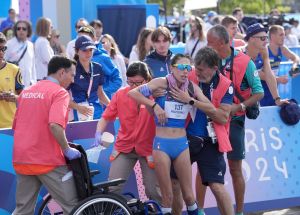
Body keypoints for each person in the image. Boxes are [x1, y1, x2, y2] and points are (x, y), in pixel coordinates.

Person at [129, 54, 216, 215]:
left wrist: (190, 100)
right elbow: (133, 93)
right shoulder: (161, 84)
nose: (185, 72)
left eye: (188, 68)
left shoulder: (190, 88)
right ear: (172, 68)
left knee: (189, 197)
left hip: (182, 144)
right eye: (182, 68)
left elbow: (211, 108)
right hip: (162, 144)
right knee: (167, 196)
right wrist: (153, 105)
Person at [207, 25, 264, 215]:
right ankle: (198, 210)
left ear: (222, 43)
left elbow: (259, 92)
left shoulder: (245, 62)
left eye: (210, 42)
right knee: (206, 169)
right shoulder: (207, 59)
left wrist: (238, 107)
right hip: (211, 121)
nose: (207, 45)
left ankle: (238, 212)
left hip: (235, 121)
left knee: (235, 169)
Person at [12, 56, 80, 214]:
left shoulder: (27, 91)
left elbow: (16, 125)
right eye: (72, 75)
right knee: (74, 207)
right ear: (62, 72)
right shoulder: (60, 93)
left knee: (23, 210)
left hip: (22, 158)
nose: (73, 79)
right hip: (47, 160)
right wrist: (66, 149)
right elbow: (55, 126)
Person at [93, 61, 161, 202]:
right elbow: (105, 117)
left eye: (138, 83)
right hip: (124, 148)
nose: (134, 87)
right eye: (130, 83)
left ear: (148, 79)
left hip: (149, 149)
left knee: (153, 190)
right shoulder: (121, 94)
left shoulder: (156, 95)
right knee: (113, 189)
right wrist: (98, 132)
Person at [244, 23, 287, 107]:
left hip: (259, 94)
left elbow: (269, 75)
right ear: (252, 39)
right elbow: (256, 75)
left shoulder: (264, 50)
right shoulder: (241, 54)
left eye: (266, 37)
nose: (266, 41)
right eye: (263, 38)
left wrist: (277, 99)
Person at [69, 35, 109, 121]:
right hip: (80, 114)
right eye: (84, 50)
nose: (89, 53)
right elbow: (63, 97)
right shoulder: (72, 69)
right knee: (82, 134)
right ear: (77, 51)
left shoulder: (98, 68)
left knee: (99, 134)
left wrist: (112, 107)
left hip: (97, 112)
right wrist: (78, 107)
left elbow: (100, 93)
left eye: (91, 50)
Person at [0, 32, 24, 129]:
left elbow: (23, 97)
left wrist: (13, 97)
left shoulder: (14, 69)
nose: (1, 52)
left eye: (3, 49)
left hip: (10, 125)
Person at [5, 20, 36, 87]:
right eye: (18, 28)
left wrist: (34, 82)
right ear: (15, 31)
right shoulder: (9, 44)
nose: (21, 30)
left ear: (28, 31)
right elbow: (3, 62)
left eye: (24, 29)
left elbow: (33, 65)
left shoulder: (30, 45)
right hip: (13, 83)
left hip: (28, 84)